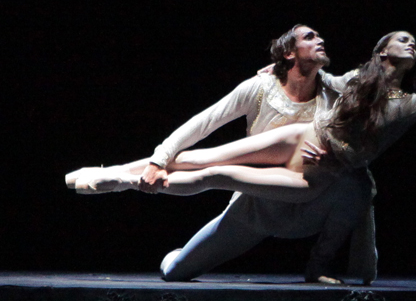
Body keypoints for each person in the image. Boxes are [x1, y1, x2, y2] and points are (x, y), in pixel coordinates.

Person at [70, 31, 416, 280]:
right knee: (205, 160)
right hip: (286, 156)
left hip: (314, 178)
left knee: (182, 255)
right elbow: (212, 120)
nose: (412, 45)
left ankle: (144, 195)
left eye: (414, 43)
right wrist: (277, 66)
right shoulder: (344, 82)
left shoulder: (402, 103)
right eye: (401, 39)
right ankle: (119, 177)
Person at [66, 24, 377, 284]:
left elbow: (375, 114)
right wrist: (158, 160)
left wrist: (335, 161)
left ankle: (320, 265)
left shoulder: (332, 94)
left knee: (358, 180)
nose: (320, 39)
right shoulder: (260, 87)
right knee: (174, 271)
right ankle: (115, 173)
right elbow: (205, 122)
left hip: (305, 203)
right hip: (254, 203)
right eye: (309, 37)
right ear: (288, 52)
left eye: (320, 36)